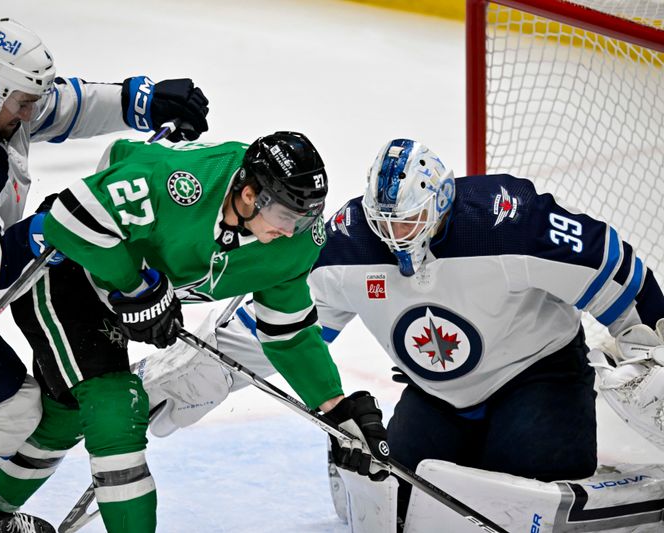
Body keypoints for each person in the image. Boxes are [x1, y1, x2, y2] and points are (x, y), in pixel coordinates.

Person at [136, 137, 664, 529]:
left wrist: (651, 346)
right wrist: (196, 378)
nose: (394, 237)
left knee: (517, 502)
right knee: (395, 498)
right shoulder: (343, 248)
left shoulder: (509, 223)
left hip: (538, 378)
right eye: (383, 223)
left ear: (440, 204)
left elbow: (613, 267)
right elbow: (281, 329)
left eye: (409, 224)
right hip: (436, 394)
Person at [0, 17, 209, 533]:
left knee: (15, 409)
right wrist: (54, 227)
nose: (33, 111)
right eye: (23, 101)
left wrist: (144, 102)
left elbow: (61, 104)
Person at [0, 131, 393, 532]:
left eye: (305, 219)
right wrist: (137, 284)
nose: (291, 231)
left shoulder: (294, 243)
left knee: (66, 417)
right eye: (286, 216)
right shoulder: (184, 180)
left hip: (117, 291)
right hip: (71, 263)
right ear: (250, 195)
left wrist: (334, 406)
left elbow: (289, 333)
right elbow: (69, 217)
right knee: (115, 409)